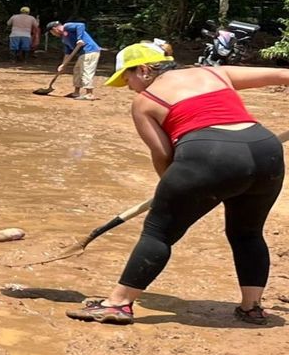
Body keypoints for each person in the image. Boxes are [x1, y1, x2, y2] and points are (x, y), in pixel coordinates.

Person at [66, 44, 286, 326]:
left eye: (127, 78)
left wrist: (172, 192)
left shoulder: (145, 102)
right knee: (247, 233)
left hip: (209, 154)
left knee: (158, 232)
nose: (129, 87)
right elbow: (283, 74)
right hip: (265, 149)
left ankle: (118, 304)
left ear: (144, 70)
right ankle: (251, 307)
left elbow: (163, 154)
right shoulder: (214, 73)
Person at [47, 20, 101, 100]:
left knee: (86, 70)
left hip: (90, 50)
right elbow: (67, 53)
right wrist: (63, 65)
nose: (53, 35)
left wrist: (79, 38)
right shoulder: (64, 39)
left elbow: (80, 25)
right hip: (83, 54)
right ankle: (76, 92)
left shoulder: (67, 26)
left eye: (52, 33)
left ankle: (89, 93)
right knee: (77, 70)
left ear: (54, 29)